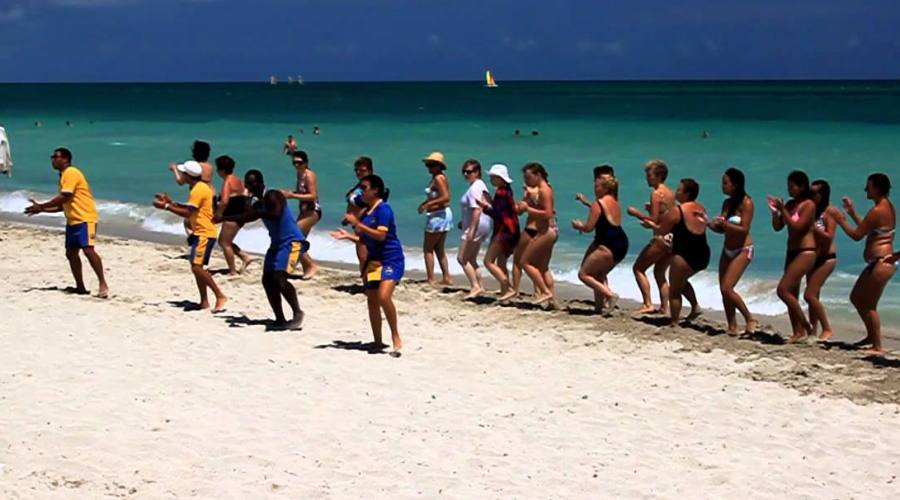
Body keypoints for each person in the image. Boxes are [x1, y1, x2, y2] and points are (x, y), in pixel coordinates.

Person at [216, 170, 306, 330]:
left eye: (252, 183)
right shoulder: (258, 203)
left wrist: (256, 211)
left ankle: (297, 312)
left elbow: (276, 212)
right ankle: (280, 318)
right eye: (248, 184)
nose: (249, 186)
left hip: (292, 242)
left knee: (279, 277)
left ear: (261, 183)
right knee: (267, 280)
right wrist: (223, 218)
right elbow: (247, 217)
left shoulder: (273, 195)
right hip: (277, 244)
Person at [332, 175, 404, 357]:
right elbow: (366, 238)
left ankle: (396, 336)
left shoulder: (384, 209)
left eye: (364, 188)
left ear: (375, 190)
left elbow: (380, 236)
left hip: (390, 259)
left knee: (383, 296)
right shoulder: (367, 212)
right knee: (372, 300)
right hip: (373, 260)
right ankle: (378, 341)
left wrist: (357, 224)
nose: (361, 192)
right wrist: (349, 236)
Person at [24, 148, 109, 298]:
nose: (52, 160)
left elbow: (65, 196)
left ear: (65, 159)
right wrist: (42, 210)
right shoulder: (64, 176)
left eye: (55, 157)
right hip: (73, 220)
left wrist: (42, 206)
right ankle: (80, 287)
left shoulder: (71, 173)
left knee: (88, 249)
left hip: (85, 218)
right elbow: (61, 205)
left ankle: (103, 284)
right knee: (71, 253)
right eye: (52, 157)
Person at [152, 161, 227, 312]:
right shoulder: (199, 188)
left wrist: (166, 207)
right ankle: (204, 301)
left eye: (183, 173)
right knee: (197, 266)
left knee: (197, 267)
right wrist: (171, 202)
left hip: (204, 233)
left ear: (188, 176)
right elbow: (190, 208)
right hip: (201, 232)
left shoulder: (198, 190)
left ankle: (219, 295)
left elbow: (188, 213)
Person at [834, 173, 895, 355]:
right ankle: (871, 337)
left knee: (868, 304)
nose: (865, 189)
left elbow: (857, 235)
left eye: (868, 186)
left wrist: (840, 220)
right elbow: (866, 229)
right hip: (882, 262)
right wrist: (852, 212)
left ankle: (877, 346)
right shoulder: (886, 207)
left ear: (876, 188)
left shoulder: (877, 211)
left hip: (881, 262)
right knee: (858, 298)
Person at [644, 179, 710, 325]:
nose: (675, 192)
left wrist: (649, 222)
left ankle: (674, 322)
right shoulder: (701, 208)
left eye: (679, 190)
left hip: (685, 254)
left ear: (687, 194)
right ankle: (695, 307)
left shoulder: (677, 211)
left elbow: (661, 230)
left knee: (674, 290)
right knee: (681, 281)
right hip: (703, 254)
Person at [768, 170, 817, 343]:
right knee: (792, 293)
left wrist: (784, 211)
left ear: (802, 186)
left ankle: (807, 326)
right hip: (792, 251)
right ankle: (797, 332)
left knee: (783, 290)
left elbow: (797, 227)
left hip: (806, 250)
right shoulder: (789, 204)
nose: (789, 190)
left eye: (792, 186)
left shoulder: (808, 205)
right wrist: (776, 212)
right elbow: (778, 227)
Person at [708, 168, 757, 336]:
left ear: (735, 185)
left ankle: (750, 319)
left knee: (728, 288)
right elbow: (722, 229)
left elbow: (744, 229)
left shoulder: (747, 203)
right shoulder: (727, 204)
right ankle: (732, 326)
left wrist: (725, 225)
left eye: (725, 183)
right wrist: (708, 223)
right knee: (723, 289)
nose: (722, 186)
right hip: (728, 248)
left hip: (744, 249)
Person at [572, 172, 628, 313]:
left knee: (584, 274)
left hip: (608, 243)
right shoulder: (615, 202)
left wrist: (579, 225)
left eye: (597, 187)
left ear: (605, 188)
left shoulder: (599, 203)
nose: (595, 189)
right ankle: (599, 308)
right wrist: (586, 202)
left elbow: (589, 228)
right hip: (621, 243)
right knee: (598, 275)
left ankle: (610, 295)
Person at [628, 160, 677, 315]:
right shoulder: (670, 193)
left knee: (638, 268)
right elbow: (665, 215)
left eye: (649, 175)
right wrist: (651, 210)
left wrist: (636, 213)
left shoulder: (656, 194)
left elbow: (654, 221)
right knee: (659, 273)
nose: (647, 178)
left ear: (659, 176)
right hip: (672, 239)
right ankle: (664, 307)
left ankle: (647, 303)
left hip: (661, 238)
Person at [516, 162, 558, 306]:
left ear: (538, 175)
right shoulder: (538, 190)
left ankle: (545, 292)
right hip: (547, 230)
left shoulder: (545, 190)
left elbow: (547, 214)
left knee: (525, 261)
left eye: (529, 177)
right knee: (542, 267)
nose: (526, 181)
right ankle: (552, 300)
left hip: (547, 230)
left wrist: (528, 209)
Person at [477, 163, 520, 301]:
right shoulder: (508, 191)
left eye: (493, 177)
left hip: (505, 230)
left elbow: (498, 214)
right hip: (513, 230)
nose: (491, 179)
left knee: (488, 261)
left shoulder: (501, 192)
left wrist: (485, 207)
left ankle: (508, 286)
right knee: (501, 262)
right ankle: (504, 295)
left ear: (500, 178)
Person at [806, 180, 839, 341]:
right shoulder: (812, 211)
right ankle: (813, 330)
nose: (810, 196)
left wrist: (814, 229)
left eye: (814, 193)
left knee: (809, 295)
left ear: (822, 195)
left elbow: (829, 237)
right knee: (814, 296)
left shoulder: (829, 212)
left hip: (827, 258)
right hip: (814, 258)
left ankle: (827, 328)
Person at [281, 150, 320, 279]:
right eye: (294, 163)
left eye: (299, 163)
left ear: (306, 163)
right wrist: (288, 193)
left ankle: (311, 265)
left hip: (312, 211)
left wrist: (292, 196)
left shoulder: (309, 175)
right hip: (304, 211)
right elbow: (301, 192)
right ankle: (296, 267)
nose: (297, 165)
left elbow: (313, 195)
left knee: (293, 237)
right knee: (298, 241)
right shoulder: (300, 174)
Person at [457, 159, 493, 298]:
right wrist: (464, 222)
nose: (466, 174)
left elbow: (477, 210)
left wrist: (471, 230)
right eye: (464, 172)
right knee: (471, 258)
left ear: (477, 172)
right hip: (485, 224)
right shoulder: (481, 185)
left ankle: (475, 286)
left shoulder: (474, 188)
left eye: (470, 171)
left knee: (462, 258)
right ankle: (480, 286)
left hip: (477, 225)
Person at [213, 155, 253, 275]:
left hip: (233, 216)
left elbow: (225, 201)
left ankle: (232, 270)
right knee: (226, 241)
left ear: (221, 170)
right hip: (240, 214)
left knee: (224, 242)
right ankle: (244, 257)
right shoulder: (237, 179)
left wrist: (218, 214)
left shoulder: (227, 181)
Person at [417, 152, 453, 286]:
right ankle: (446, 277)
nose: (428, 167)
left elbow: (445, 197)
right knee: (439, 248)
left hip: (438, 215)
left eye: (431, 165)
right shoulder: (439, 177)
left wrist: (427, 205)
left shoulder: (438, 178)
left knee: (428, 248)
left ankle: (431, 278)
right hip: (441, 214)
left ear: (439, 166)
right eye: (428, 164)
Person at [345, 156, 375, 275]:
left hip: (366, 224)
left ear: (369, 170)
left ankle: (370, 283)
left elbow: (371, 206)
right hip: (358, 224)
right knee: (362, 255)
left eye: (362, 170)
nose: (358, 173)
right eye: (356, 170)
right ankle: (367, 282)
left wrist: (356, 218)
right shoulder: (359, 186)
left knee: (365, 255)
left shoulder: (371, 187)